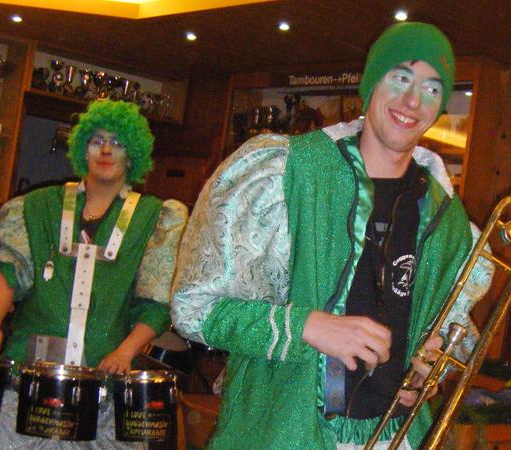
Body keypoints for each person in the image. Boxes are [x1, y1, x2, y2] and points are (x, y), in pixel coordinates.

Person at [172, 22, 492, 449]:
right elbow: (194, 310)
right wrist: (308, 326)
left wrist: (428, 370)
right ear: (371, 82)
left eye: (432, 89)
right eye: (400, 78)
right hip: (282, 435)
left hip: (394, 437)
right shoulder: (288, 173)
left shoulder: (446, 218)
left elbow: (452, 340)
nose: (413, 101)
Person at [0, 99, 187, 449]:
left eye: (117, 143)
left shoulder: (154, 218)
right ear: (82, 148)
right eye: (96, 140)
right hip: (28, 377)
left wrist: (126, 351)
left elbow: (157, 301)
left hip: (104, 384)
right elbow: (9, 268)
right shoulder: (37, 206)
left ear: (132, 154)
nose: (106, 150)